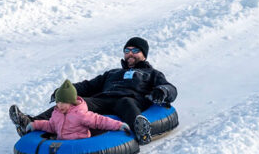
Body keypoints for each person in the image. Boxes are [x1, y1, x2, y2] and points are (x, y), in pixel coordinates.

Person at [10, 36, 177, 145]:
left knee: (126, 103)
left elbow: (170, 88)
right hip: (103, 99)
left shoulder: (151, 73)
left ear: (144, 55)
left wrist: (161, 91)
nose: (130, 54)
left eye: (135, 51)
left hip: (130, 99)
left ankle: (140, 130)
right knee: (69, 104)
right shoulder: (112, 73)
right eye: (127, 51)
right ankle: (28, 122)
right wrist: (66, 91)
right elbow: (89, 86)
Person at [23, 79, 131, 140]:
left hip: (80, 145)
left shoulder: (80, 114)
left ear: (71, 101)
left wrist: (119, 125)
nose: (60, 106)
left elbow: (99, 121)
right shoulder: (57, 113)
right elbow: (51, 126)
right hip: (63, 145)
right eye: (58, 102)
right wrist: (35, 125)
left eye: (63, 102)